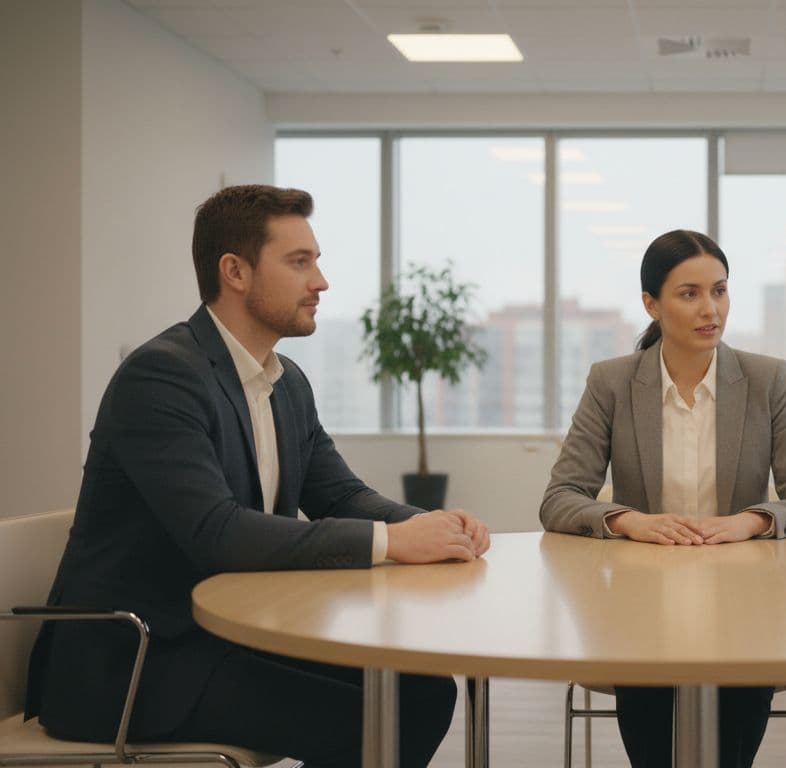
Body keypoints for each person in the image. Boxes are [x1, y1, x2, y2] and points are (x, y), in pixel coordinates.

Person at [25, 185, 490, 768]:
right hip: (139, 657)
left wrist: (429, 523)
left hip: (220, 636)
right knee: (372, 718)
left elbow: (339, 494)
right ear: (235, 272)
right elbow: (217, 532)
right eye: (300, 262)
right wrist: (397, 542)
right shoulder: (161, 378)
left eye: (316, 261)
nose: (320, 281)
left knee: (420, 689)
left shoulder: (285, 381)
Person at [540, 229, 786, 768]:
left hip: (746, 613)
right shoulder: (612, 383)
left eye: (720, 291)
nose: (710, 310)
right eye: (690, 294)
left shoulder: (767, 380)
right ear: (651, 304)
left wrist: (752, 521)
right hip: (640, 611)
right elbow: (560, 497)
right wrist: (628, 520)